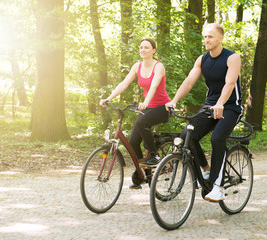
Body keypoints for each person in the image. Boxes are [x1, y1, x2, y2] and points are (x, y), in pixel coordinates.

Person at [165, 23, 243, 202]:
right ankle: (206, 169)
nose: (206, 40)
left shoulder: (232, 58)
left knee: (217, 138)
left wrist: (221, 103)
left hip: (231, 106)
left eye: (210, 36)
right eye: (205, 37)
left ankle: (218, 186)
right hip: (210, 106)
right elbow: (189, 82)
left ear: (220, 38)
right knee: (187, 135)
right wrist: (174, 100)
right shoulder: (202, 59)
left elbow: (230, 83)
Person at [100, 39, 170, 188]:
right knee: (132, 143)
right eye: (141, 47)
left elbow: (154, 85)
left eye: (147, 47)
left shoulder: (159, 67)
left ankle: (154, 156)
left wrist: (146, 102)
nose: (143, 50)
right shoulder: (137, 66)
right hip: (147, 108)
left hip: (162, 107)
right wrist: (108, 98)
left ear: (153, 51)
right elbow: (124, 84)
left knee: (141, 122)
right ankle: (141, 172)